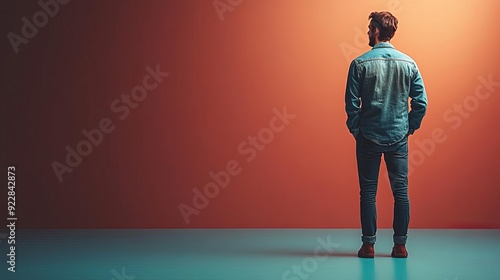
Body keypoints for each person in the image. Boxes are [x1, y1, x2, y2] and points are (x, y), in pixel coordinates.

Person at [344, 11, 428, 258]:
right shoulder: (409, 63)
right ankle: (400, 246)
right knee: (400, 192)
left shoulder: (359, 63)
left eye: (370, 28)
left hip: (368, 136)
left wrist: (357, 130)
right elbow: (421, 102)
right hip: (398, 136)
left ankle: (368, 245)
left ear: (377, 31)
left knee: (368, 193)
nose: (368, 32)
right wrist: (409, 127)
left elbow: (351, 104)